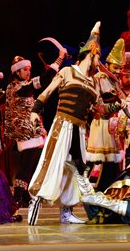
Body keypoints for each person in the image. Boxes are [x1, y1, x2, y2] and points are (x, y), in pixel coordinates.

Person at [27, 21, 103, 226]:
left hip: (80, 130)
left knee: (76, 170)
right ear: (91, 54)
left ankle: (66, 212)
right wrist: (35, 111)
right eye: (98, 57)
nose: (99, 62)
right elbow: (47, 92)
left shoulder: (94, 82)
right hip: (63, 125)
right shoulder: (68, 71)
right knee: (53, 162)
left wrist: (119, 104)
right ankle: (36, 199)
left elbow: (100, 109)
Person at [4, 49, 65, 212]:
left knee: (30, 165)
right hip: (26, 132)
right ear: (17, 72)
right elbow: (43, 81)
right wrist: (59, 59)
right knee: (26, 166)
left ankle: (24, 196)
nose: (28, 73)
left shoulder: (21, 86)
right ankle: (17, 197)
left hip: (31, 131)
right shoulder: (17, 87)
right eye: (25, 70)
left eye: (29, 70)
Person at [86, 38, 127, 191]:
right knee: (96, 160)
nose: (118, 71)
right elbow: (96, 105)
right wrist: (116, 105)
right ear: (107, 64)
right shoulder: (99, 79)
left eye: (121, 68)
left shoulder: (115, 81)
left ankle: (105, 190)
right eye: (116, 67)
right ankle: (86, 190)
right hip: (101, 124)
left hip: (112, 125)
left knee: (111, 163)